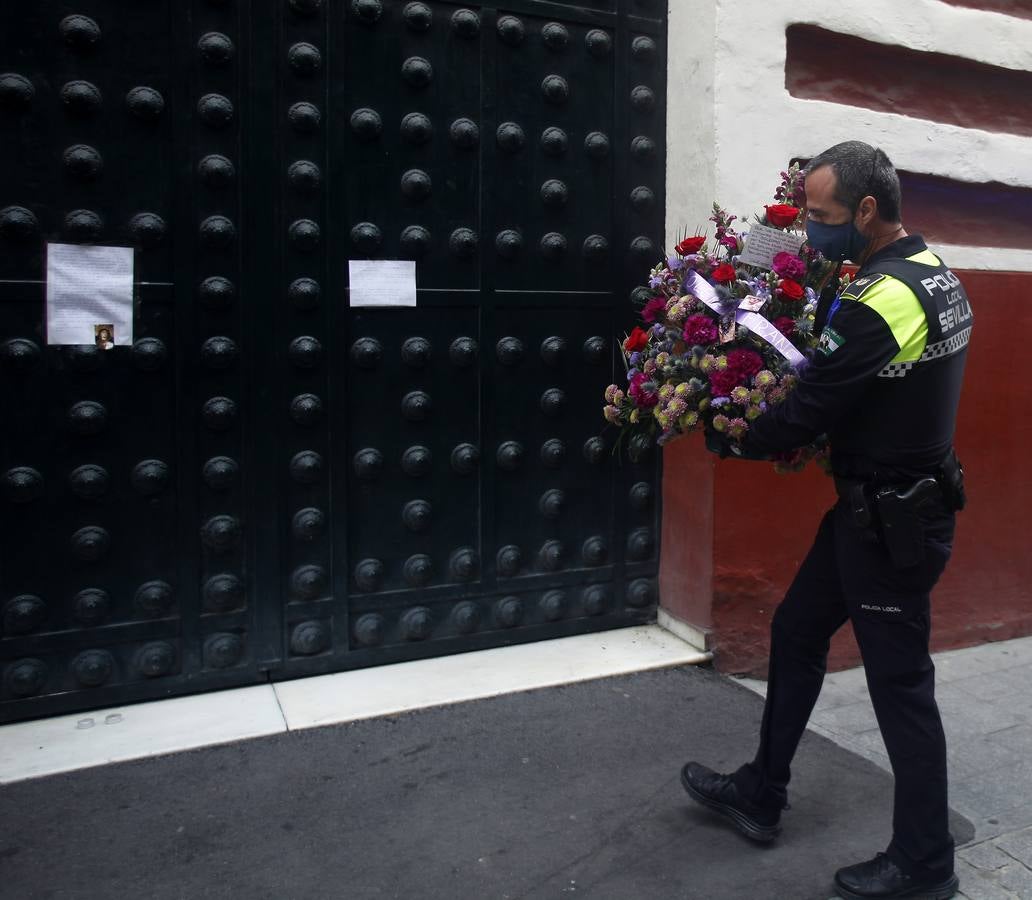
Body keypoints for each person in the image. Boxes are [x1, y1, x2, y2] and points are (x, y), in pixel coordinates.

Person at [682, 141, 972, 900]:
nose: (811, 231)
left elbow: (811, 406)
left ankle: (926, 863)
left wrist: (730, 431)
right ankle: (761, 792)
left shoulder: (880, 301)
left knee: (901, 688)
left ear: (867, 212)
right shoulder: (932, 273)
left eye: (820, 217)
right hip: (877, 508)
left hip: (890, 522)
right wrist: (756, 266)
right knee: (797, 632)